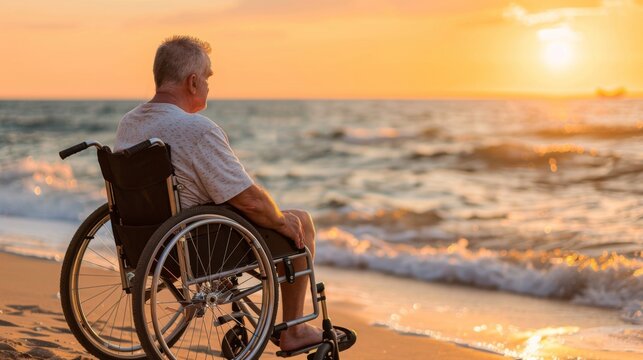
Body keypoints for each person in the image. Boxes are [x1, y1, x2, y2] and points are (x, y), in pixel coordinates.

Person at [114, 35, 321, 352]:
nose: (210, 85)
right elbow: (248, 199)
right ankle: (294, 328)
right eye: (208, 77)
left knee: (271, 217)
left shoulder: (129, 124)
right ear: (193, 82)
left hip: (148, 249)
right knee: (300, 222)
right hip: (196, 250)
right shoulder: (196, 129)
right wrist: (281, 222)